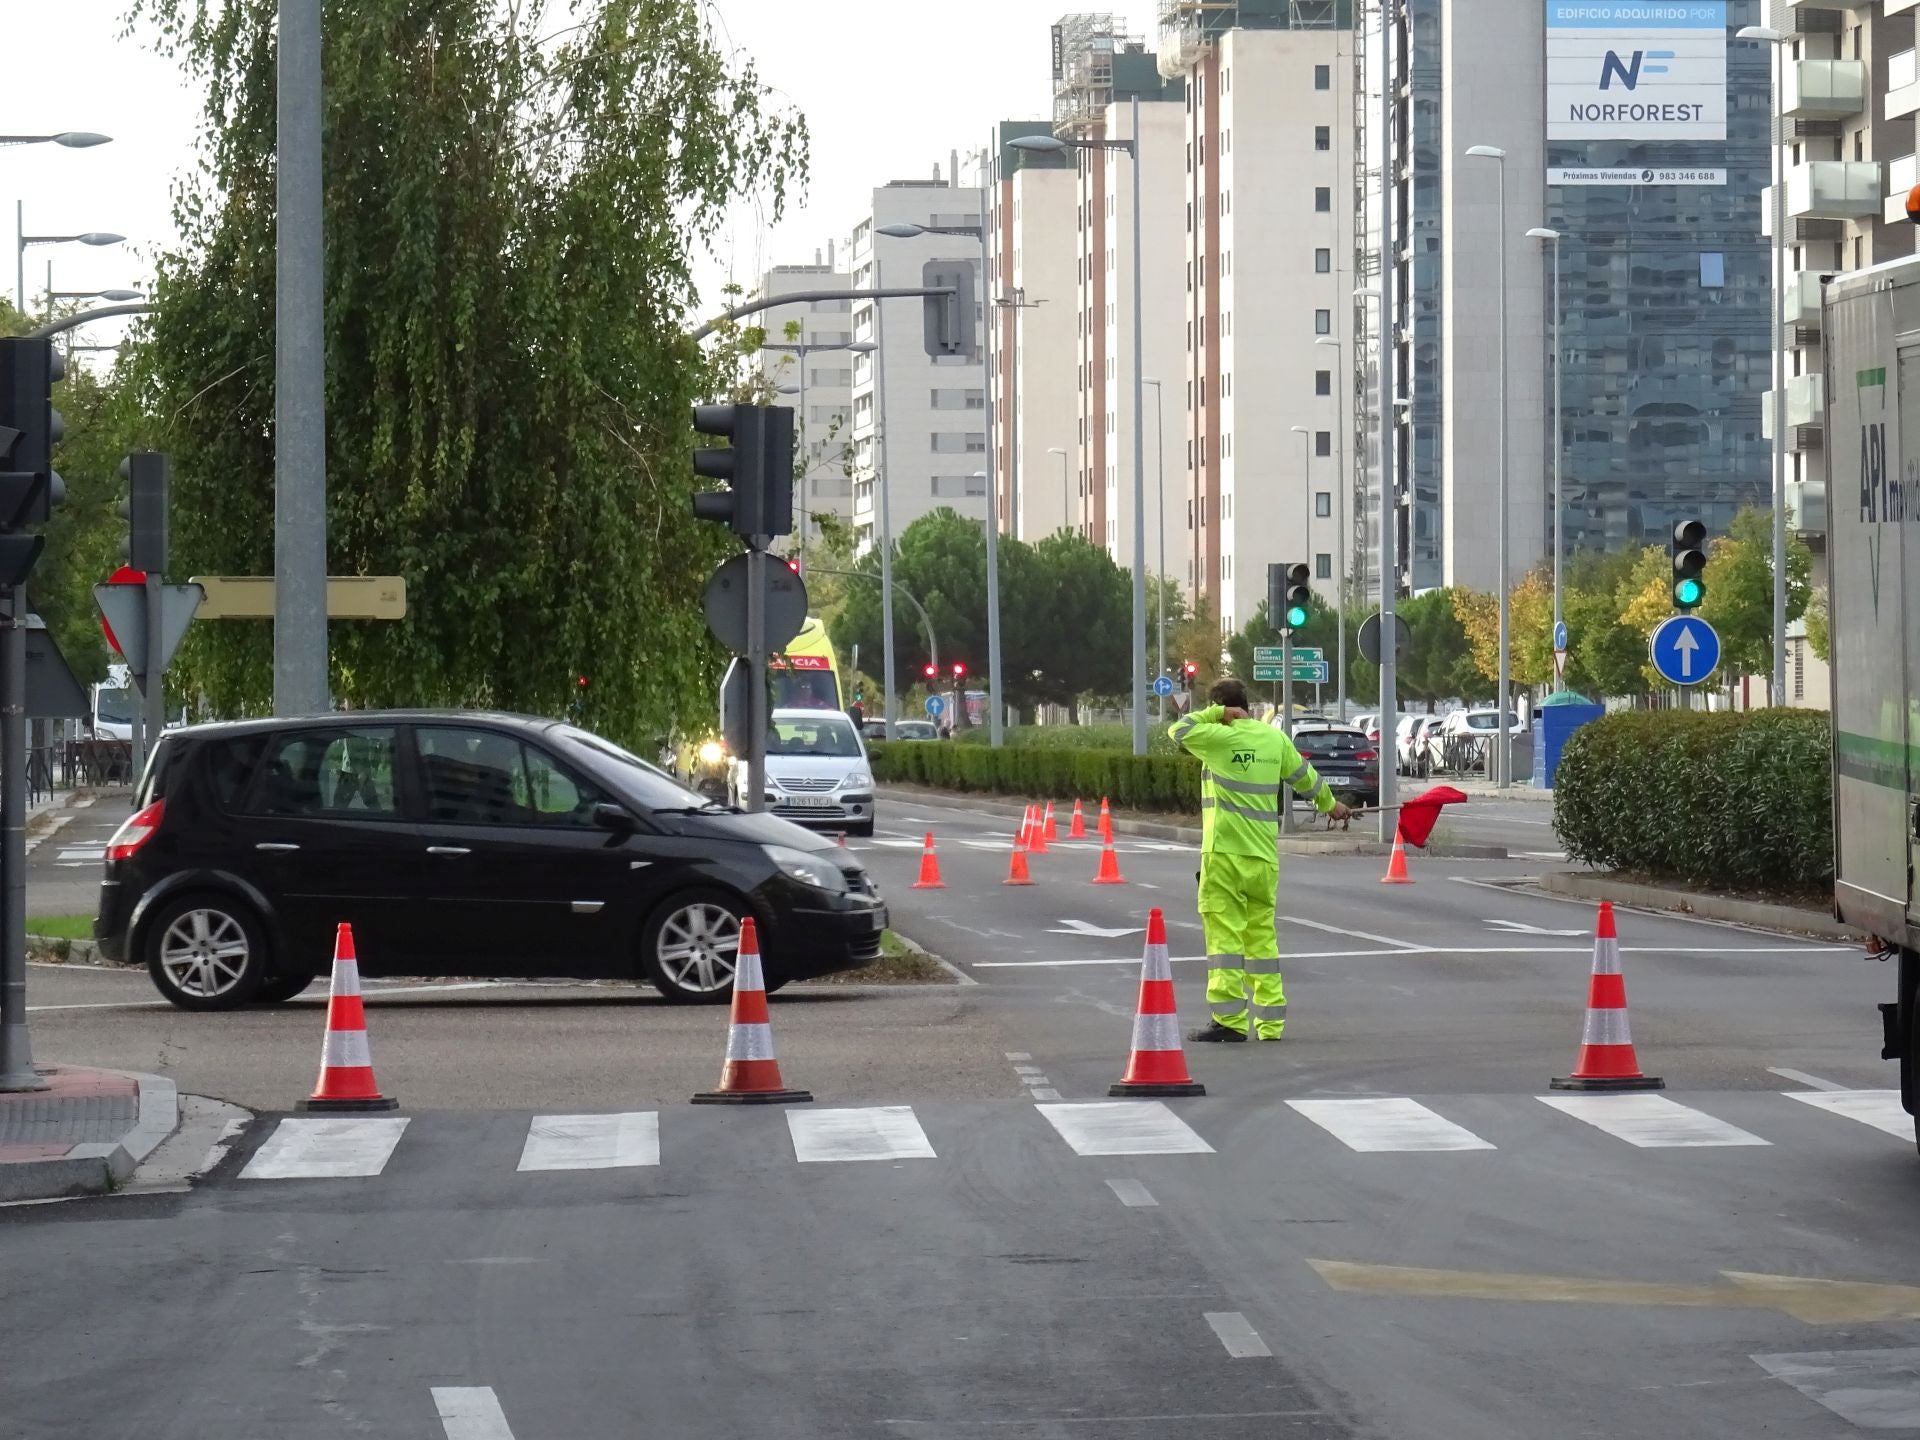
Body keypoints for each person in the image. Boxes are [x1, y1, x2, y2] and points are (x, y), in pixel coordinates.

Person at [1170, 676, 1352, 1042]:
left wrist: (1217, 714)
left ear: (1223, 709)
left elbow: (1179, 729)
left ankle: (1229, 1022)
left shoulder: (1218, 738)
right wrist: (1332, 806)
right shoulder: (1274, 739)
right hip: (1263, 858)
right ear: (1249, 706)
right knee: (1261, 941)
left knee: (1224, 941)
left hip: (1224, 856)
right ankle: (1271, 1024)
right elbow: (1306, 778)